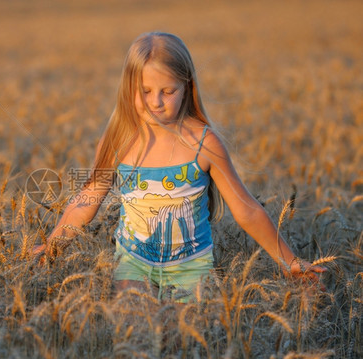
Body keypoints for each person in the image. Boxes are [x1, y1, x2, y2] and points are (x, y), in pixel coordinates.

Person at [31, 31, 326, 301]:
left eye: (167, 91)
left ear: (186, 87)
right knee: (136, 327)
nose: (155, 102)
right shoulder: (118, 138)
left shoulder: (204, 143)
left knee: (183, 336)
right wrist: (55, 243)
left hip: (192, 266)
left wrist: (289, 261)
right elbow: (88, 197)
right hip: (133, 264)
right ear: (128, 88)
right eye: (144, 91)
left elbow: (246, 210)